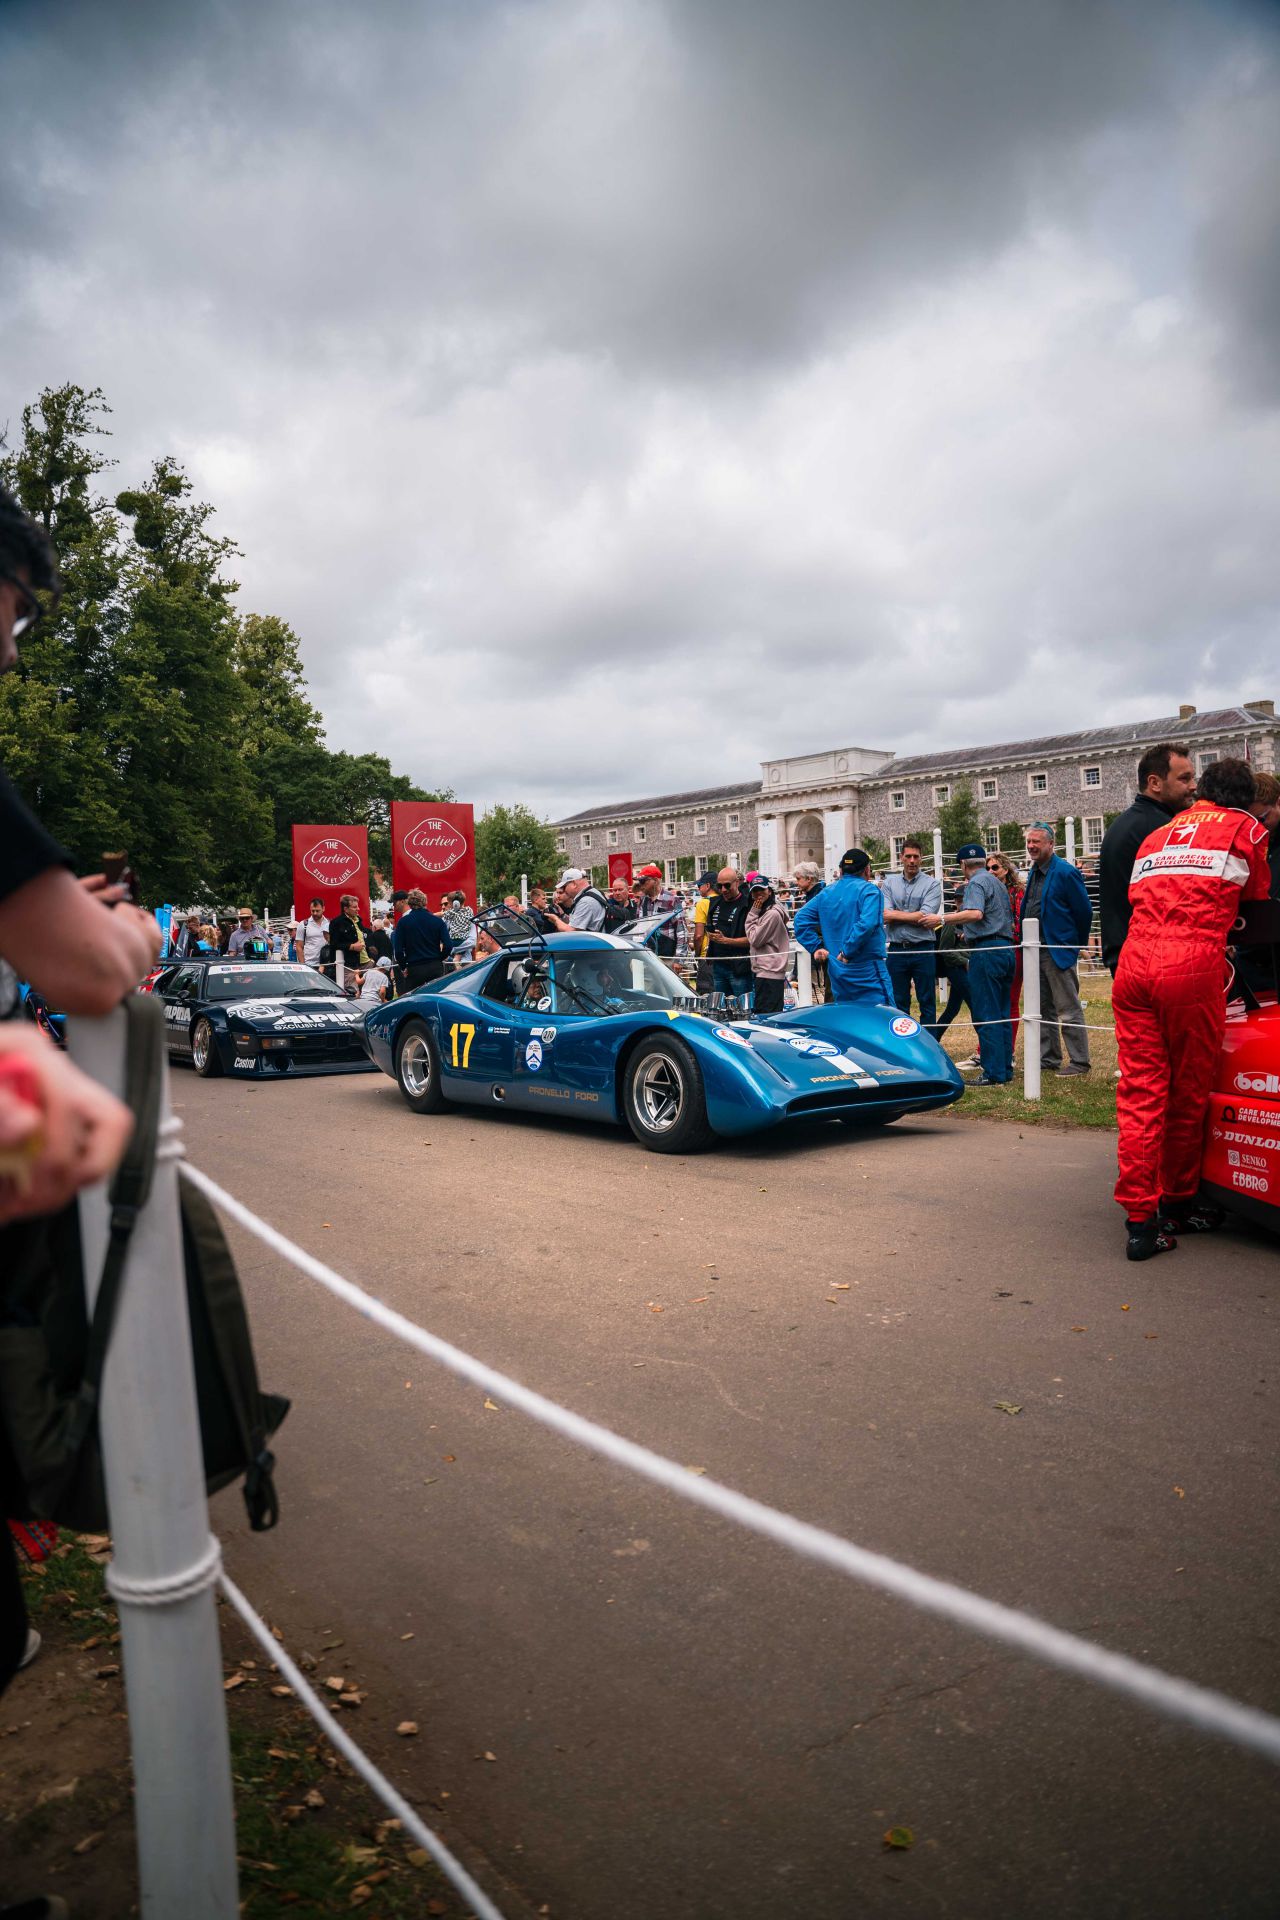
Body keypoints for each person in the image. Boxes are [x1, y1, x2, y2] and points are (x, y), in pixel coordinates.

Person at [1113, 757, 1271, 1260]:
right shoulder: (1244, 826)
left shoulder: (1160, 832)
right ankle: (1178, 1200)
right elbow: (1258, 899)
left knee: (1140, 1093)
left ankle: (1141, 1218)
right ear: (1246, 799)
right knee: (1188, 1088)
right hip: (1191, 964)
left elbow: (1135, 894)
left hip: (1133, 966)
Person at [1098, 743, 1197, 975]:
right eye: (1184, 779)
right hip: (1150, 959)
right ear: (1155, 783)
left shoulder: (1125, 823)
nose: (1193, 786)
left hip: (1128, 953)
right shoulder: (1162, 829)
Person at [1020, 824, 1094, 1077]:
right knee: (1042, 1008)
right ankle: (1049, 1058)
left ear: (1051, 844)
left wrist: (1073, 945)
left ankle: (1080, 1062)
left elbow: (1084, 911)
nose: (1031, 846)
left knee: (1068, 1007)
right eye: (1029, 841)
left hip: (1056, 949)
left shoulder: (1065, 872)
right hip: (1035, 949)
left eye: (1037, 842)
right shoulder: (1034, 872)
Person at [944, 843, 1014, 1084]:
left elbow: (975, 913)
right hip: (1006, 948)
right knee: (1002, 1011)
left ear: (963, 865)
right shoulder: (997, 882)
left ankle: (993, 1072)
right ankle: (1005, 1068)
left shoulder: (975, 883)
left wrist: (943, 918)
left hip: (986, 951)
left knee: (986, 1013)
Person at [793, 849, 891, 1006]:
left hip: (838, 969)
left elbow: (799, 920)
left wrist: (816, 947)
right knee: (884, 1017)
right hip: (867, 968)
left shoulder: (826, 893)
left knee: (846, 1017)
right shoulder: (870, 891)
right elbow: (867, 924)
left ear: (840, 871)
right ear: (867, 870)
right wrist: (847, 952)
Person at [881, 838, 942, 1028]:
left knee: (927, 1002)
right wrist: (914, 916)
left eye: (916, 856)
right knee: (898, 1004)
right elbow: (884, 916)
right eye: (908, 856)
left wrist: (896, 914)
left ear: (921, 858)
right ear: (902, 858)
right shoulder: (889, 884)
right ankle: (903, 1048)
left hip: (923, 949)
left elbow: (925, 916)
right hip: (897, 950)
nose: (912, 861)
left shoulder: (932, 884)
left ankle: (929, 1046)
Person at [986, 851, 1024, 1048]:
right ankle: (988, 1049)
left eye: (995, 867)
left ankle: (1008, 1050)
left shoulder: (1017, 891)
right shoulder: (986, 890)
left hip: (1013, 948)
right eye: (988, 868)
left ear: (1006, 869)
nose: (991, 871)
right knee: (992, 1000)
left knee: (1010, 1001)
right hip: (992, 949)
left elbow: (1018, 923)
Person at [705, 868, 753, 1000]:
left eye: (727, 885)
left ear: (737, 883)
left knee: (743, 1007)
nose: (723, 889)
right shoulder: (715, 903)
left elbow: (754, 939)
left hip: (739, 966)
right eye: (719, 886)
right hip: (718, 964)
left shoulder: (748, 904)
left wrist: (726, 940)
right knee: (721, 1008)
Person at [745, 877, 790, 1014]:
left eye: (761, 889)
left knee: (766, 1016)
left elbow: (755, 939)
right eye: (755, 891)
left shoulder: (771, 914)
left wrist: (753, 913)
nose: (758, 893)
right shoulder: (768, 911)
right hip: (767, 972)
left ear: (769, 891)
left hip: (769, 973)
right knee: (768, 1014)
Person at [391, 888, 453, 990]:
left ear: (409, 903)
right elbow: (448, 945)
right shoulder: (437, 921)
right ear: (425, 902)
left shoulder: (403, 922)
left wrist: (403, 967)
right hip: (435, 967)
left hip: (415, 968)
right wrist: (439, 958)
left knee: (415, 1002)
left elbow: (398, 951)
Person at [791, 861, 827, 1001]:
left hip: (817, 950)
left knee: (817, 989)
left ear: (809, 879)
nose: (796, 882)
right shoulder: (816, 895)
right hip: (814, 947)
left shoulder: (818, 896)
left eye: (798, 878)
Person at [547, 868, 608, 932]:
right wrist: (562, 915)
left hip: (592, 941)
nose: (564, 890)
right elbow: (575, 924)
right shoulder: (594, 892)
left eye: (565, 886)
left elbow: (571, 932)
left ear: (574, 884)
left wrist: (555, 919)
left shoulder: (585, 902)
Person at [325, 894, 366, 976]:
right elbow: (334, 944)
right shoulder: (336, 923)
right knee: (351, 989)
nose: (358, 909)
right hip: (348, 966)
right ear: (346, 909)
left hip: (364, 963)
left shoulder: (359, 920)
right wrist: (352, 946)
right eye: (354, 907)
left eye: (357, 906)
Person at [692, 872, 717, 991]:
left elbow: (698, 935)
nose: (698, 889)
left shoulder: (702, 903)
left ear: (707, 886)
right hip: (722, 954)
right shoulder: (724, 900)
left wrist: (697, 954)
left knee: (705, 994)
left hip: (706, 956)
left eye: (699, 885)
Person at [293, 898, 329, 969]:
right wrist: (303, 966)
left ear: (323, 909)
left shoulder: (329, 923)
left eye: (317, 911)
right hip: (310, 965)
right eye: (313, 911)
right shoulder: (303, 924)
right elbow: (299, 947)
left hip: (327, 965)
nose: (315, 913)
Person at [442, 891, 476, 966]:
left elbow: (472, 942)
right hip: (446, 963)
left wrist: (452, 949)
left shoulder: (468, 919)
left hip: (463, 962)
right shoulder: (444, 920)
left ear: (456, 904)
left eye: (446, 904)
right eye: (442, 904)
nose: (443, 907)